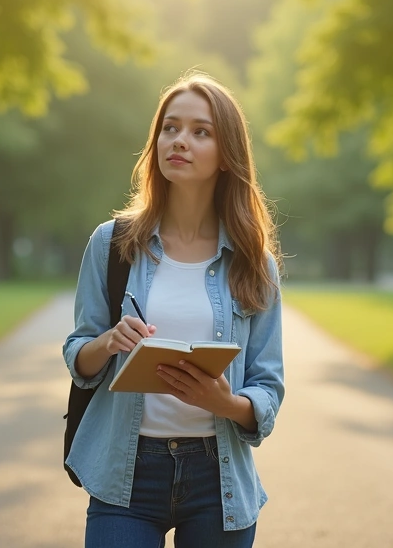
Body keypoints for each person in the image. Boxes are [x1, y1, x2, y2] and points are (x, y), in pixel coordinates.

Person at [63, 72, 285, 547]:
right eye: (170, 127)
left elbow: (268, 386)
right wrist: (108, 343)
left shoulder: (253, 262)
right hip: (126, 476)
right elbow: (78, 355)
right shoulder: (112, 243)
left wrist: (224, 403)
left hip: (217, 481)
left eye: (200, 131)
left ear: (226, 156)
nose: (179, 140)